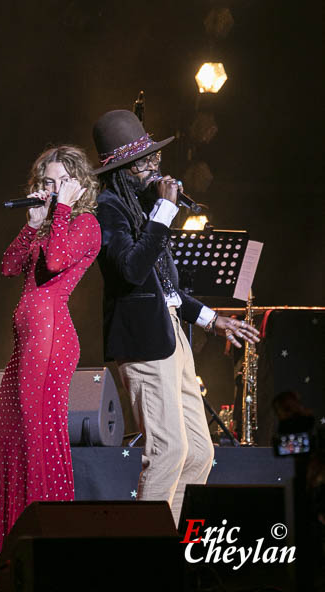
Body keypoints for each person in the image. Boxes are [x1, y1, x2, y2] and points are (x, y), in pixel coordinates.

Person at [92, 109, 260, 526]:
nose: (155, 166)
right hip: (143, 342)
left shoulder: (143, 205)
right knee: (167, 450)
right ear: (123, 168)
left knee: (200, 452)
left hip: (171, 336)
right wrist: (163, 213)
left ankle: (170, 544)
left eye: (155, 158)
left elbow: (165, 286)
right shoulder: (108, 208)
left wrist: (212, 319)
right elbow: (130, 270)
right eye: (145, 161)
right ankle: (143, 555)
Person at [0, 145, 101, 587]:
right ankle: (9, 566)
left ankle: (47, 562)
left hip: (50, 342)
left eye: (55, 183)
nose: (47, 190)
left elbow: (54, 262)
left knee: (38, 441)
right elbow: (9, 266)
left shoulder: (86, 225)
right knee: (6, 442)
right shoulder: (49, 226)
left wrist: (64, 209)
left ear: (76, 184)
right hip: (25, 343)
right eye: (44, 183)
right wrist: (33, 225)